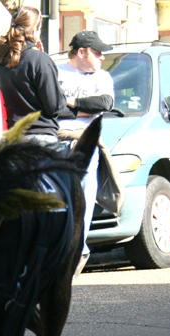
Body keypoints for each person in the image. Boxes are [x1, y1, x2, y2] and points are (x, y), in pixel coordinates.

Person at [56, 31, 114, 273]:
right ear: (82, 52)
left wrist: (71, 104)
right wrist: (81, 109)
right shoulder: (57, 72)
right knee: (58, 198)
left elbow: (104, 103)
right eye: (98, 52)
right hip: (58, 141)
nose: (102, 57)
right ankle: (58, 249)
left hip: (86, 143)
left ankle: (79, 250)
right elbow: (53, 109)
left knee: (84, 200)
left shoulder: (103, 76)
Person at [0, 6, 66, 142]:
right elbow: (54, 107)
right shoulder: (38, 58)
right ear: (35, 29)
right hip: (41, 136)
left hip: (12, 138)